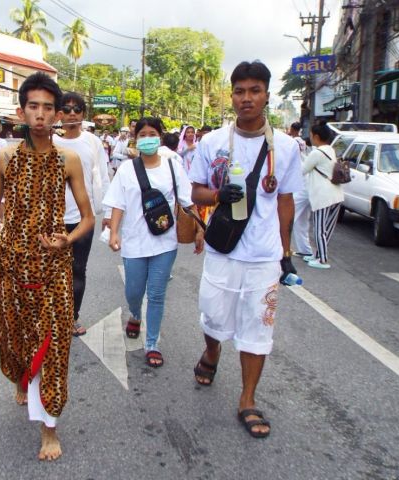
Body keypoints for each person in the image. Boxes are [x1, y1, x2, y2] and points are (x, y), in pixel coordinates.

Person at [0, 72, 94, 461]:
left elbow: (87, 218)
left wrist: (68, 238)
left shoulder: (69, 158)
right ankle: (19, 374)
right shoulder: (6, 155)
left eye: (49, 108)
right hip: (12, 265)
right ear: (22, 111)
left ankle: (49, 427)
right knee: (8, 334)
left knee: (55, 347)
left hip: (54, 268)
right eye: (34, 107)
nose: (41, 115)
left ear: (59, 114)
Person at [188, 61, 302, 439]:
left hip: (263, 256)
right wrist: (219, 194)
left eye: (255, 90)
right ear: (232, 95)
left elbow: (286, 201)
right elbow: (196, 192)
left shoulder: (285, 147)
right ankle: (212, 350)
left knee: (258, 327)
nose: (247, 98)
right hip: (223, 250)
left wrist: (286, 253)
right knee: (212, 316)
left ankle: (248, 398)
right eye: (240, 91)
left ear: (267, 95)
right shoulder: (212, 142)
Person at [104, 117, 204, 367]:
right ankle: (135, 314)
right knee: (134, 291)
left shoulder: (173, 166)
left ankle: (152, 344)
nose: (147, 138)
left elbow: (188, 201)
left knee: (157, 294)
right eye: (143, 134)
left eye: (152, 133)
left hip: (164, 242)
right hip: (134, 242)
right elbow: (118, 202)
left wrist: (200, 228)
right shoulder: (127, 169)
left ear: (160, 136)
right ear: (136, 138)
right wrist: (114, 231)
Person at [53, 92, 111, 336]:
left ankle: (72, 317)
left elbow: (103, 176)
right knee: (52, 271)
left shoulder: (92, 142)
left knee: (78, 269)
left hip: (82, 218)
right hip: (52, 218)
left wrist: (107, 211)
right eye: (66, 109)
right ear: (59, 114)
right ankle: (52, 315)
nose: (72, 114)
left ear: (83, 114)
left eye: (77, 109)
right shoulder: (51, 142)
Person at [301, 122, 343, 269]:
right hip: (336, 194)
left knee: (319, 229)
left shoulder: (316, 153)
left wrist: (300, 154)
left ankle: (322, 259)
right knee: (327, 229)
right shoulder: (330, 150)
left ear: (317, 136)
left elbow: (303, 169)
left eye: (311, 135)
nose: (310, 137)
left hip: (323, 196)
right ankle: (318, 255)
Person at [289, 121, 314, 258]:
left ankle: (281, 248)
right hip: (305, 184)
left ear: (292, 129)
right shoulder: (302, 142)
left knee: (288, 217)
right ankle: (305, 250)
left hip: (301, 185)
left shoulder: (293, 142)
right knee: (302, 221)